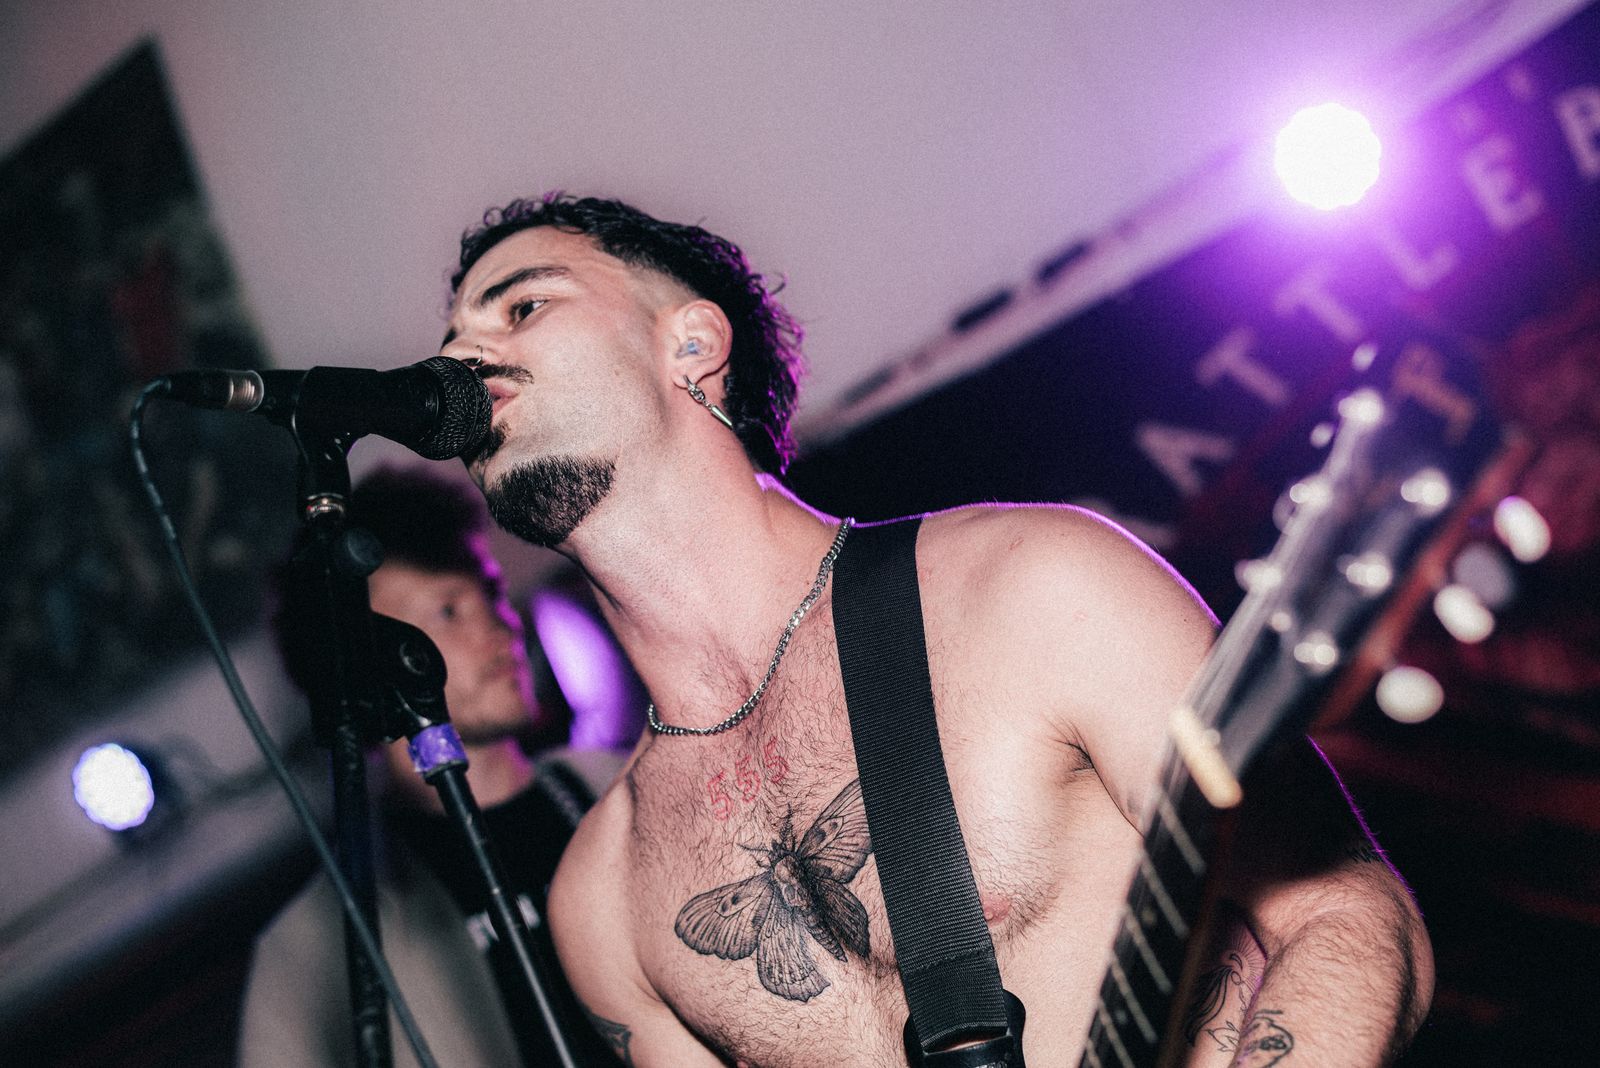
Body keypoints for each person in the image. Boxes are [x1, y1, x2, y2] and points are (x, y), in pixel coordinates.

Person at [437, 193, 1434, 1067]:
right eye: (450, 338)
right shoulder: (603, 896)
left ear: (691, 344)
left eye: (521, 307)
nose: (458, 358)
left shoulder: (1033, 587)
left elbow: (1341, 909)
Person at [237, 465, 626, 1068]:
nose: (500, 625)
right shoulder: (317, 947)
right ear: (360, 669)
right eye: (448, 611)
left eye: (491, 592)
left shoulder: (620, 786)